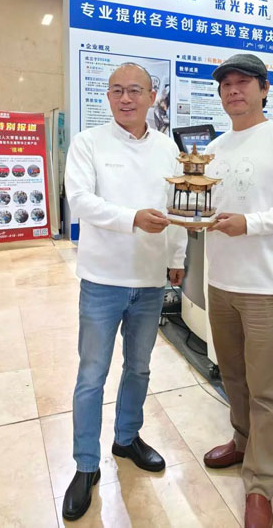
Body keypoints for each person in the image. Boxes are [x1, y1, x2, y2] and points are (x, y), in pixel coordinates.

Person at [62, 63, 187, 521]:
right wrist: (132, 218)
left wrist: (177, 255)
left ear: (153, 96)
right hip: (102, 279)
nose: (126, 98)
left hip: (150, 280)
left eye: (135, 90)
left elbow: (176, 205)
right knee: (91, 375)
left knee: (139, 367)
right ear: (108, 97)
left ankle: (127, 438)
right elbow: (81, 201)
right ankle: (85, 465)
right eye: (117, 90)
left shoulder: (167, 149)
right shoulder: (89, 142)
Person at [202, 53, 273, 528]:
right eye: (225, 84)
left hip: (266, 287)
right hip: (220, 281)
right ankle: (242, 442)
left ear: (264, 88)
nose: (233, 90)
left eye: (243, 82)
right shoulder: (214, 147)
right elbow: (205, 203)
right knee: (232, 376)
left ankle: (261, 484)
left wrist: (249, 224)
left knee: (267, 390)